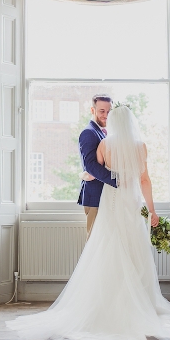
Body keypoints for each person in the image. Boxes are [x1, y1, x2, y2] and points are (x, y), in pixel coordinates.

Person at [6, 104, 170, 340]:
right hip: (131, 203)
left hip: (112, 201)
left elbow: (94, 170)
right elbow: (145, 180)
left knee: (106, 248)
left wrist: (89, 175)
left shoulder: (105, 145)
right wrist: (152, 210)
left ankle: (105, 306)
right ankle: (135, 306)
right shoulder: (141, 147)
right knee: (133, 249)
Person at [77, 94, 118, 240]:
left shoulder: (102, 132)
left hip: (104, 196)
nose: (106, 115)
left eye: (109, 111)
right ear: (92, 110)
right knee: (95, 243)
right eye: (102, 111)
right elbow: (91, 166)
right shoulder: (89, 133)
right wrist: (117, 180)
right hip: (95, 197)